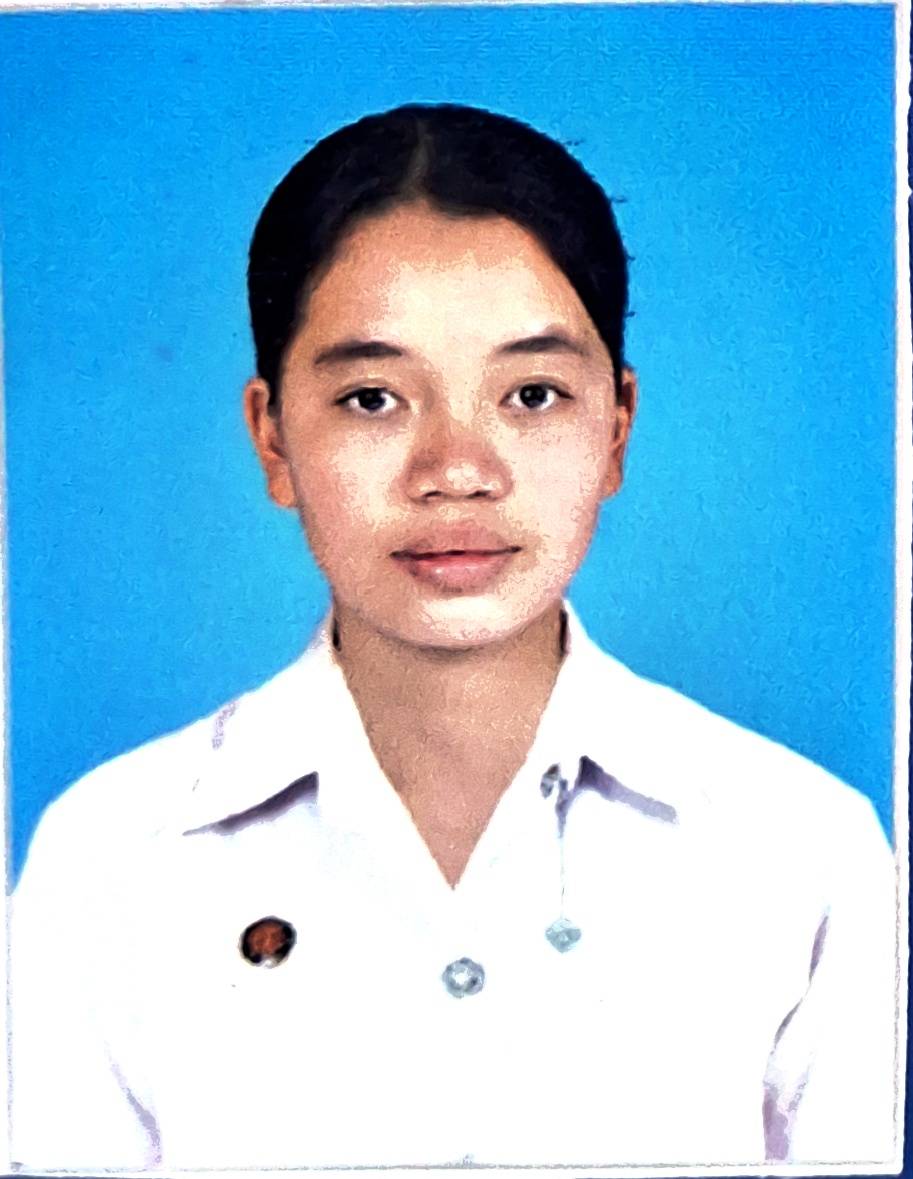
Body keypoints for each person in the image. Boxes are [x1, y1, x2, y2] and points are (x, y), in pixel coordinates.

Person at [10, 103, 898, 1172]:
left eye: (532, 394)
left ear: (616, 426)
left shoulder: (801, 850)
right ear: (272, 437)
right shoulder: (109, 857)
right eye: (371, 398)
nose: (456, 470)